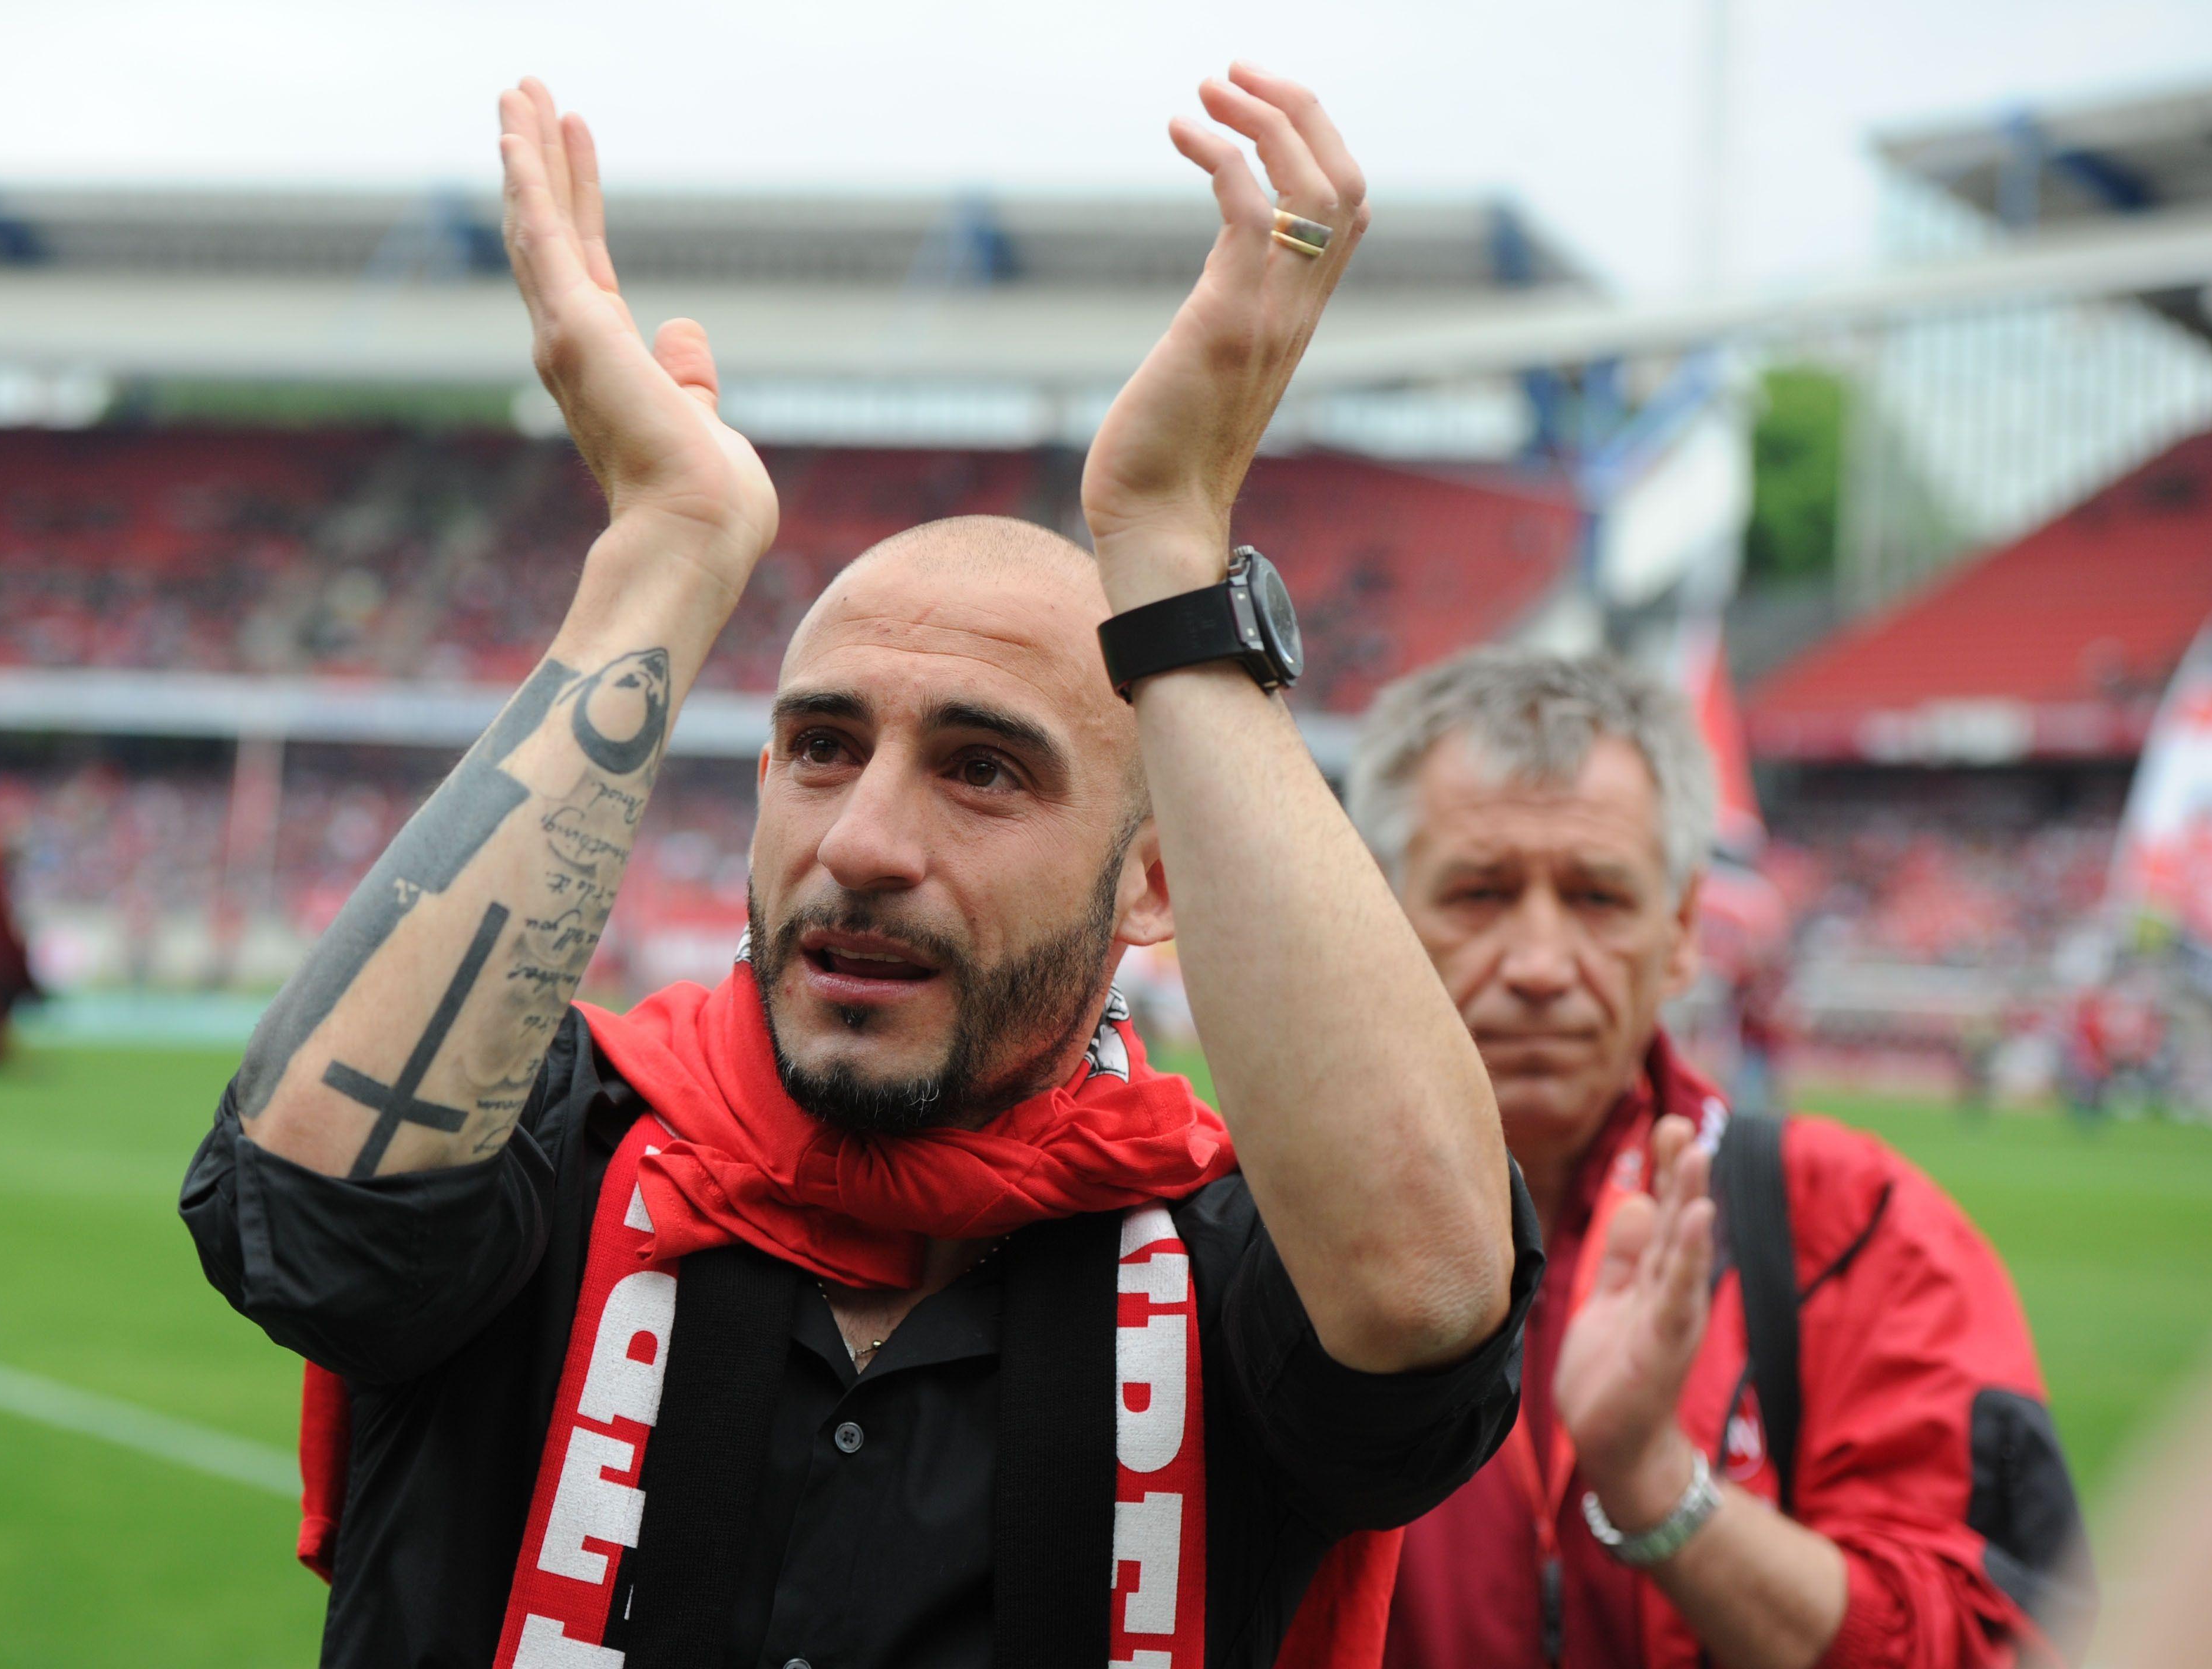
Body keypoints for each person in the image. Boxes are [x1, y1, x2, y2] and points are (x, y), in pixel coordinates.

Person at [182, 67, 1540, 1669]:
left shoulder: (1234, 1263)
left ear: (1157, 884)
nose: (865, 843)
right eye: (822, 748)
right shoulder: (558, 1151)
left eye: (983, 770)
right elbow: (310, 1211)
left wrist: (1169, 545)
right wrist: (664, 561)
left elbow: (1422, 1304)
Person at [1346, 648, 2094, 1669]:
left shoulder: (1857, 1226)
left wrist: (1659, 1486)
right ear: (1372, 911)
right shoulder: (1253, 1238)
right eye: (1478, 892)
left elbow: (1993, 1642)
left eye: (1600, 897)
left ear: (1686, 926)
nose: (1538, 966)